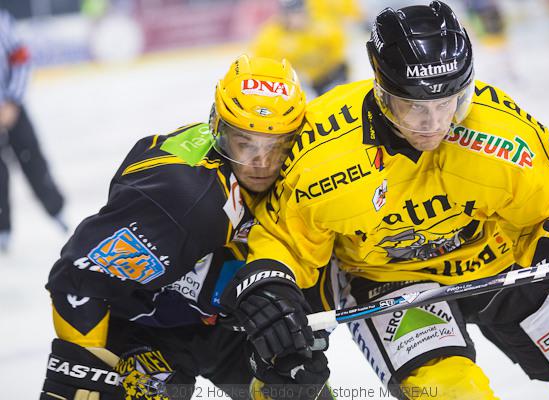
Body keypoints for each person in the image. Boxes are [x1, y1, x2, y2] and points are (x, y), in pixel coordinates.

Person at [223, 2, 549, 399]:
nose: (434, 124)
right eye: (415, 107)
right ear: (381, 89)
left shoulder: (504, 134)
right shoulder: (319, 152)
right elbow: (285, 238)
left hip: (501, 260)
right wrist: (270, 286)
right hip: (390, 284)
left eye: (448, 102)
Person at [39, 55, 330, 400]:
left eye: (278, 146)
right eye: (245, 144)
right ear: (218, 128)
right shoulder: (184, 200)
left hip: (226, 325)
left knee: (301, 390)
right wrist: (84, 369)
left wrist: (295, 326)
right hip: (143, 329)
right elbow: (78, 277)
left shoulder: (310, 175)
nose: (262, 164)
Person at [0, 9, 65, 252]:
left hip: (11, 106)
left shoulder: (2, 20)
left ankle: (57, 210)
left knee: (32, 157)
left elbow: (20, 57)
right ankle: (2, 229)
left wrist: (12, 102)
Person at [251, 0, 348, 97]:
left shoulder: (324, 28)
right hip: (292, 83)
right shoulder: (271, 37)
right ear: (283, 16)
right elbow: (263, 66)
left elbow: (338, 58)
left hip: (324, 79)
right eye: (292, 14)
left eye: (300, 12)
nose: (298, 18)